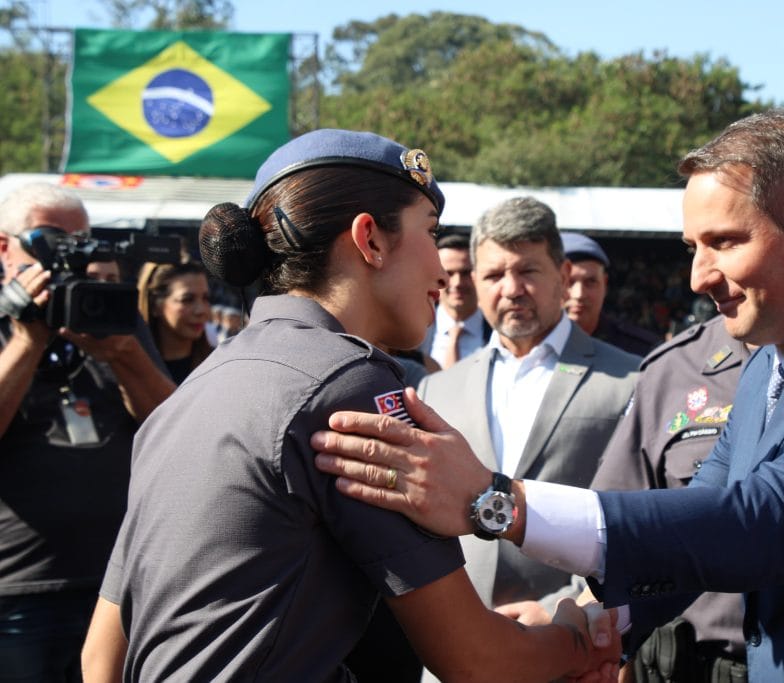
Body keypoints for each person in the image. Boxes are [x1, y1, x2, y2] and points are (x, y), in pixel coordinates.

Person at [311, 109, 784, 680]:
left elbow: (762, 526)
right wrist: (587, 620)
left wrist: (500, 502)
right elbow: (696, 530)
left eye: (723, 241)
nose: (698, 276)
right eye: (692, 247)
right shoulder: (770, 369)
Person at [79, 130, 619, 683]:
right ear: (371, 240)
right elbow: (478, 660)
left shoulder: (193, 391)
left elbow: (99, 660)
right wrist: (582, 641)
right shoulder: (350, 385)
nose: (440, 270)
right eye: (429, 233)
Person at [416, 197, 639, 623]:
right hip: (451, 644)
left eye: (527, 271)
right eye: (495, 274)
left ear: (564, 275)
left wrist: (565, 610)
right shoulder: (436, 390)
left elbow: (638, 521)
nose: (512, 288)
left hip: (571, 640)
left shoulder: (631, 381)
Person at [0, 182, 174, 683]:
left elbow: (174, 428)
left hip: (116, 584)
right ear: (4, 247)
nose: (70, 255)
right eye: (50, 240)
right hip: (15, 590)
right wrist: (26, 341)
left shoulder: (111, 312)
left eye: (82, 240)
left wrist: (124, 353)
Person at [590, 314, 751, 683]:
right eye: (694, 252)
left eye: (725, 249)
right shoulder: (675, 368)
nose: (700, 278)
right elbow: (616, 540)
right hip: (683, 666)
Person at [561, 231, 661, 356]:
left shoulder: (641, 351)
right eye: (568, 282)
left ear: (605, 284)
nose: (579, 294)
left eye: (590, 282)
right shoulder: (532, 347)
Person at [420, 231, 490, 369]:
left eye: (465, 273)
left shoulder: (499, 333)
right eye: (448, 273)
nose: (457, 283)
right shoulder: (413, 332)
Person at [136, 260, 213, 384]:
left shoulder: (218, 365)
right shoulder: (132, 368)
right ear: (156, 305)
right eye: (187, 300)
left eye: (206, 298)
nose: (201, 310)